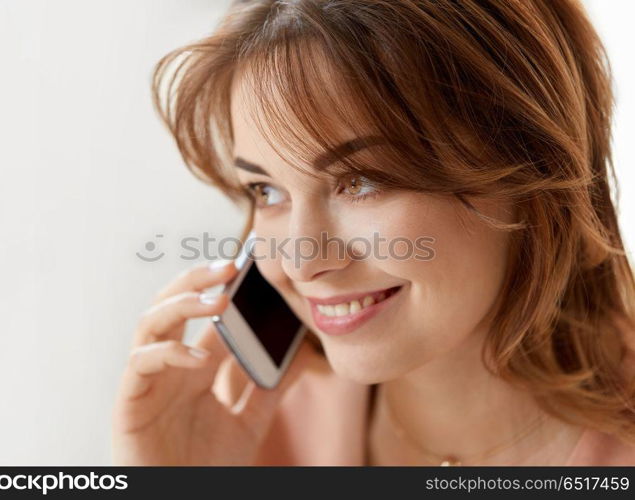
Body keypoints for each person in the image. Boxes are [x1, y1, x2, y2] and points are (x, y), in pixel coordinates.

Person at [111, 0, 635, 465]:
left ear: (531, 166)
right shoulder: (257, 424)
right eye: (266, 191)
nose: (300, 263)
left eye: (361, 181)